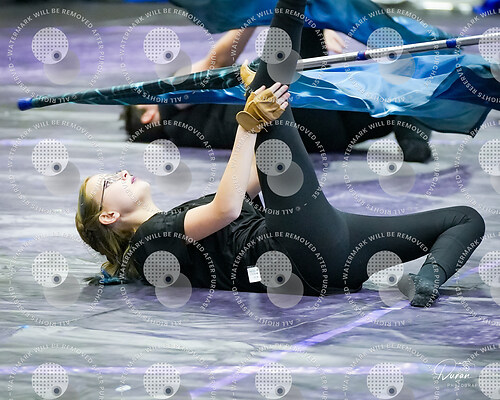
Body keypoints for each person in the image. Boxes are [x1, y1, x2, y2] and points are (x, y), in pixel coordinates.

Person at [77, 0, 485, 307]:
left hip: (328, 258)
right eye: (108, 182)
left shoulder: (169, 225)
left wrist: (267, 130)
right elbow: (226, 209)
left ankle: (429, 278)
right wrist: (251, 123)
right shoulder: (148, 242)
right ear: (108, 216)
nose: (121, 173)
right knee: (270, 86)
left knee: (465, 219)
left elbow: (247, 185)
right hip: (291, 250)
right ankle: (293, 6)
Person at [122, 27, 432, 162]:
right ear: (148, 114)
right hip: (289, 107)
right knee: (291, 26)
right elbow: (219, 59)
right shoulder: (171, 104)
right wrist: (252, 13)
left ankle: (410, 132)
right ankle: (410, 125)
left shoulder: (187, 134)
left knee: (384, 103)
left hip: (318, 135)